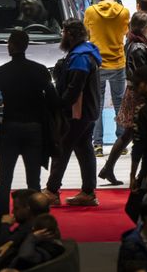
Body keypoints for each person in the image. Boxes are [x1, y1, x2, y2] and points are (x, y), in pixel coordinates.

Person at [0, 30, 59, 220]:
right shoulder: (39, 70)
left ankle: (2, 221)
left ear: (11, 45)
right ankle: (36, 220)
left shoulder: (1, 72)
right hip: (34, 127)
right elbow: (53, 100)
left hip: (10, 126)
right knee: (33, 181)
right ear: (26, 46)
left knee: (4, 181)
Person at [43, 19, 102, 208]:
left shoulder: (79, 57)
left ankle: (52, 191)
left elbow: (75, 86)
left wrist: (60, 105)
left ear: (70, 34)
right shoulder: (86, 51)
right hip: (88, 111)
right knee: (84, 149)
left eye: (63, 32)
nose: (62, 36)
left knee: (62, 148)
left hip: (77, 112)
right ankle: (88, 192)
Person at [83, 0, 130, 158]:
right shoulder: (124, 12)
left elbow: (87, 32)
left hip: (97, 62)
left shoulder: (90, 11)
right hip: (118, 61)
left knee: (98, 104)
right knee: (120, 104)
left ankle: (98, 145)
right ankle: (122, 143)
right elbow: (126, 32)